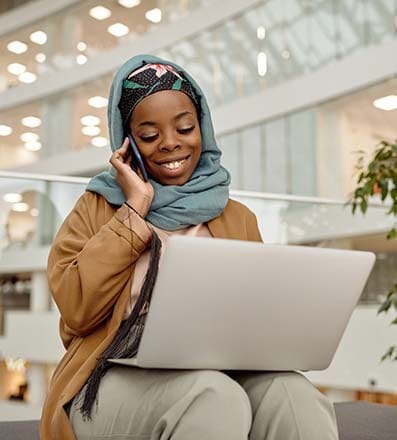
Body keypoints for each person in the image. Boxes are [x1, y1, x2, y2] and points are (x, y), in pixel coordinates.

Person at [40, 54, 339, 440]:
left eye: (185, 128)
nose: (170, 144)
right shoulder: (98, 207)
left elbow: (257, 314)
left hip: (221, 371)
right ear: (126, 142)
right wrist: (134, 210)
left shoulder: (237, 217)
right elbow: (77, 309)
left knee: (294, 393)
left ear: (203, 128)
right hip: (109, 379)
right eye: (149, 136)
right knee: (212, 397)